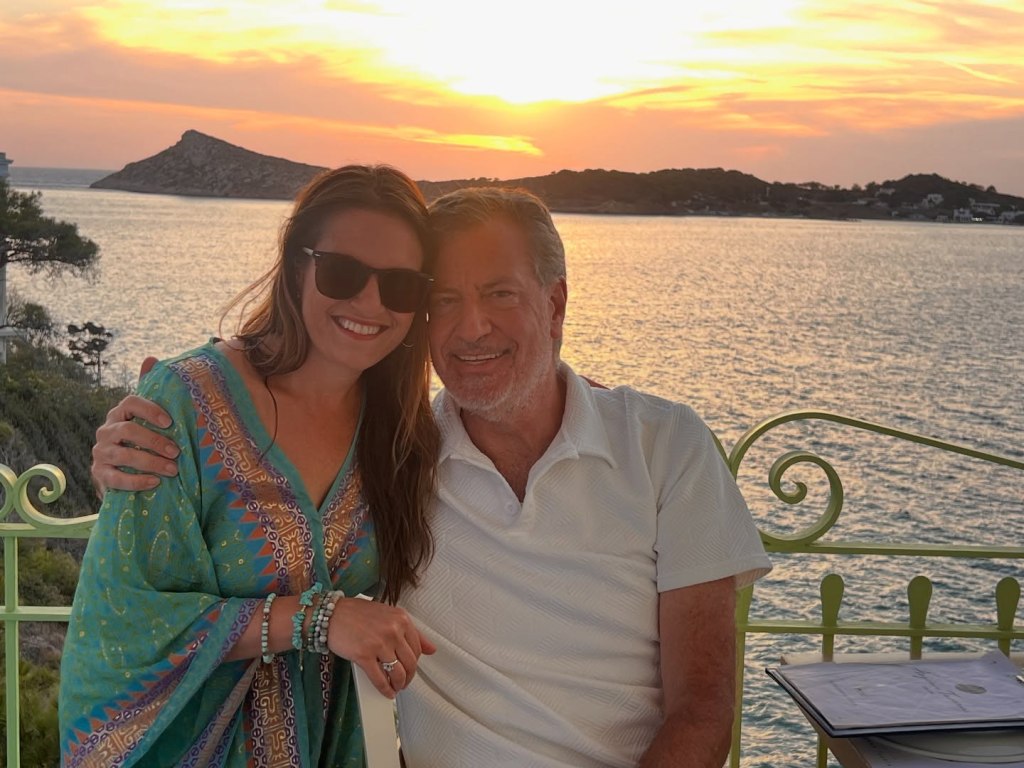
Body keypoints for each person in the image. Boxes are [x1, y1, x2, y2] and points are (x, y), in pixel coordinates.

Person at [91, 186, 772, 767]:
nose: (470, 328)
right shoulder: (392, 456)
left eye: (499, 294)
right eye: (442, 301)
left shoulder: (665, 445)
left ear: (556, 304)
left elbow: (703, 708)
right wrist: (147, 432)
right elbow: (257, 470)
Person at [60, 164, 441, 768]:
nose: (370, 304)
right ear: (297, 266)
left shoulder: (405, 433)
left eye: (400, 286)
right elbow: (123, 621)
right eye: (343, 273)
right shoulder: (183, 402)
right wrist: (320, 618)